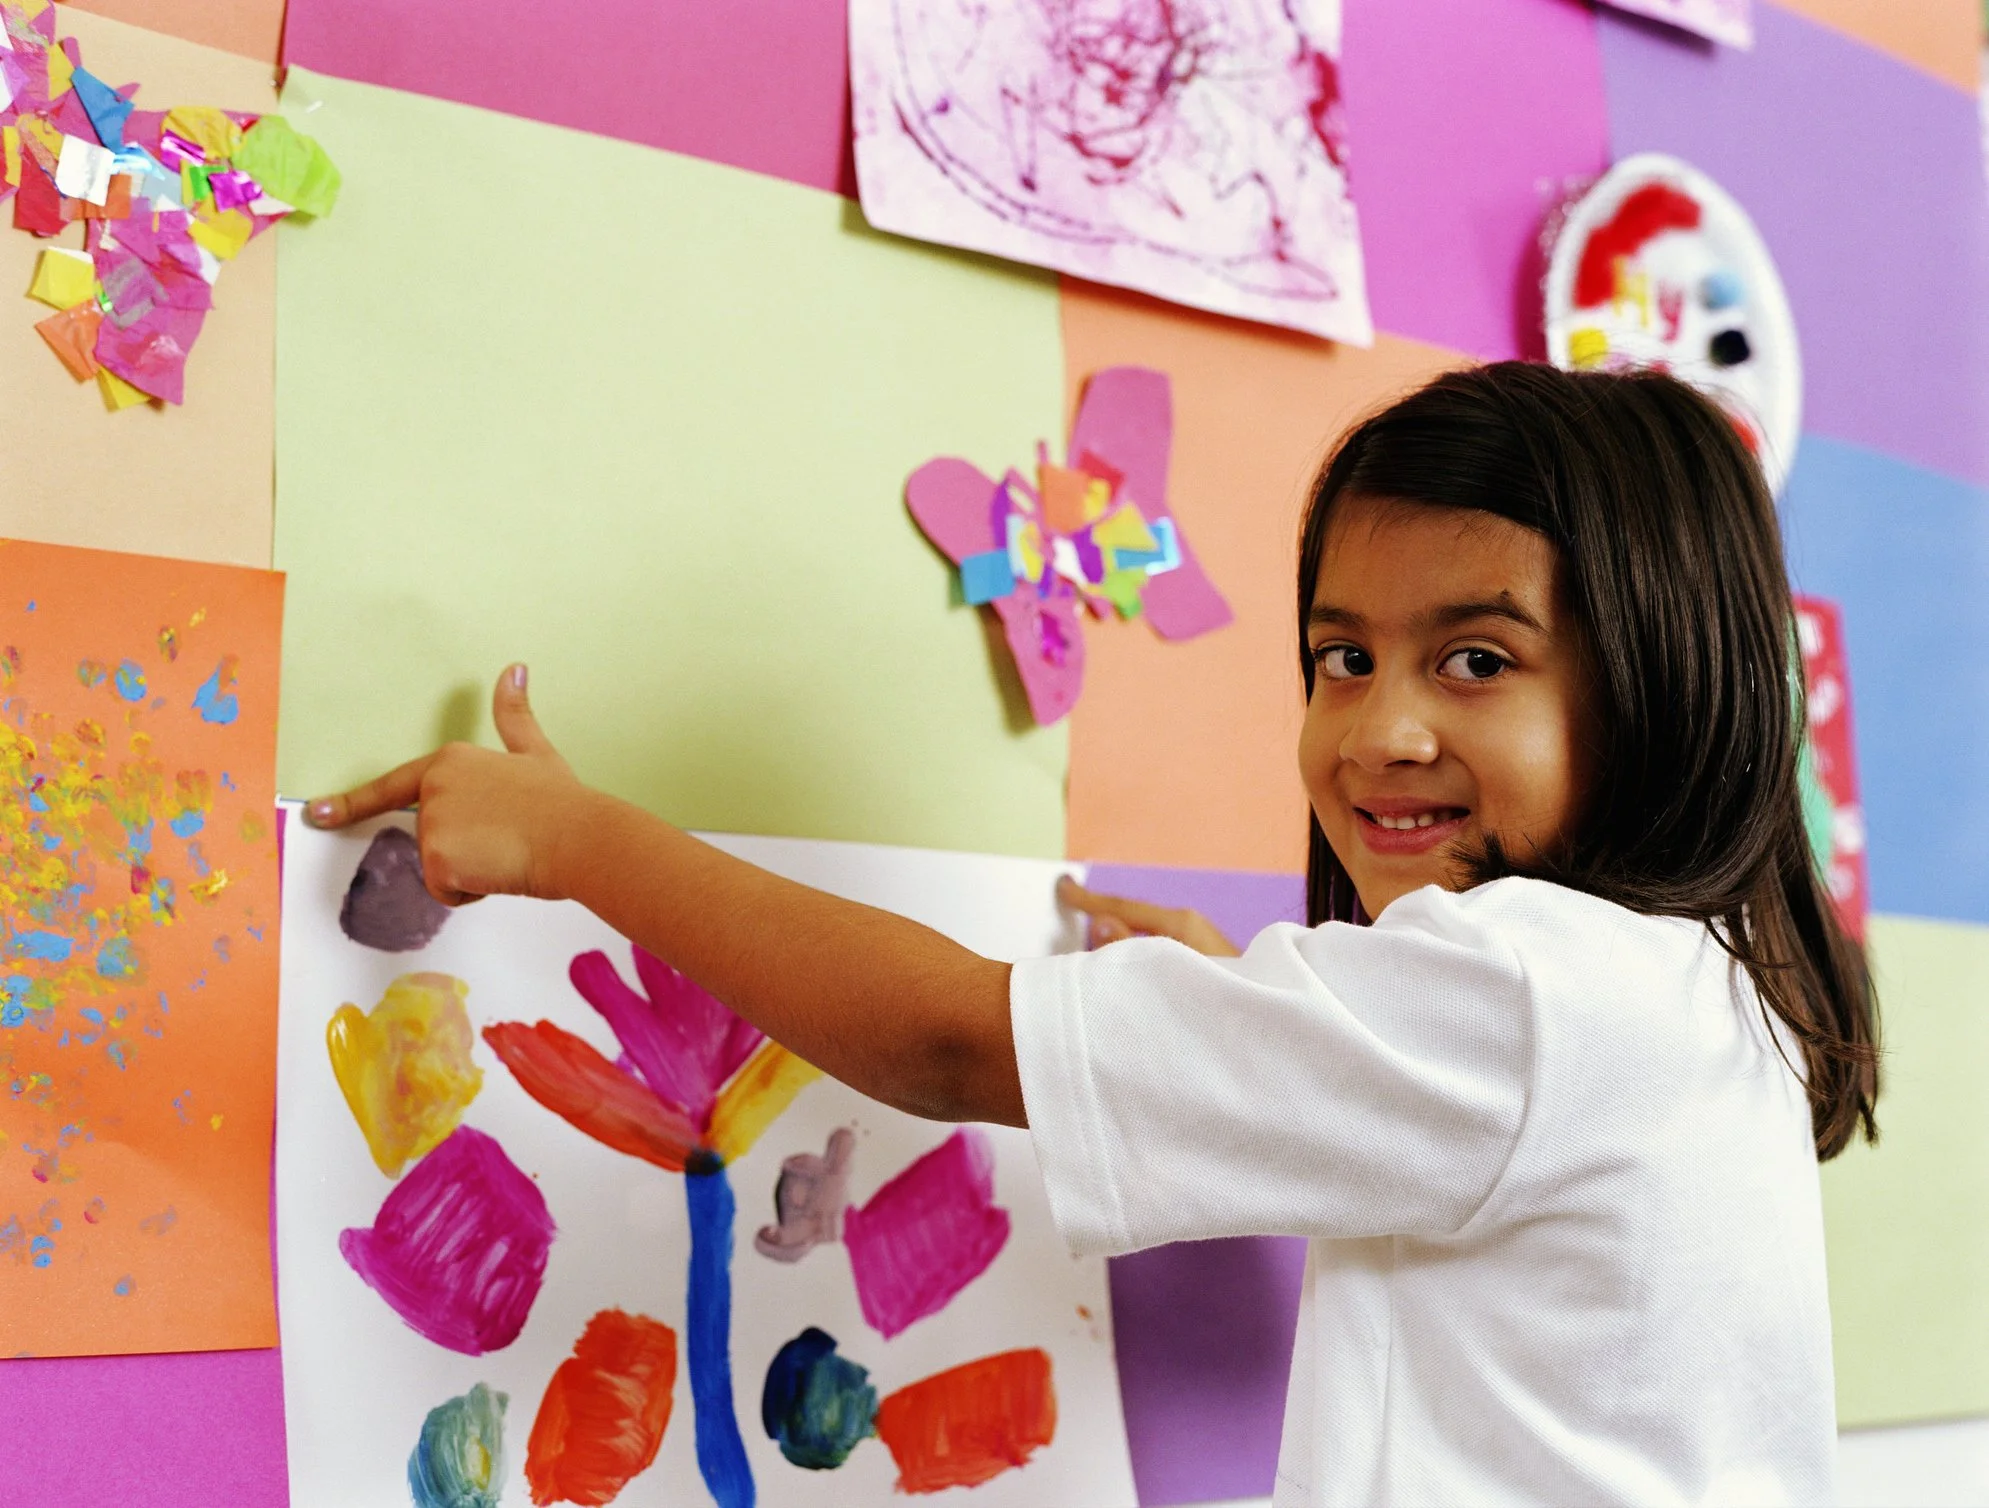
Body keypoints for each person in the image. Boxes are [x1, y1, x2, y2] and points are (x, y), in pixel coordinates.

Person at [307, 361, 1876, 1507]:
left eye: (1475, 659)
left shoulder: (1529, 990)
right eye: (1340, 656)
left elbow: (947, 1040)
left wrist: (587, 845)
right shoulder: (1706, 992)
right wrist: (1241, 1031)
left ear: (1663, 680)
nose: (1380, 729)